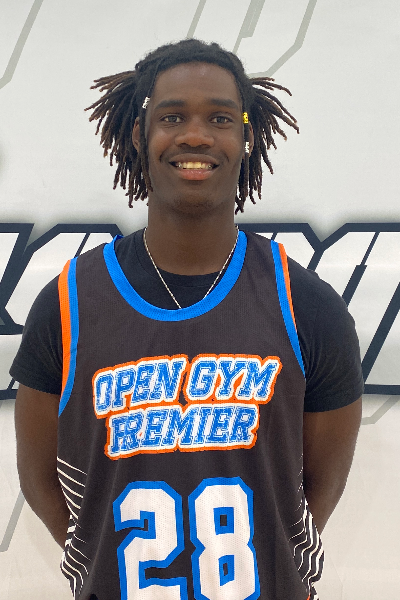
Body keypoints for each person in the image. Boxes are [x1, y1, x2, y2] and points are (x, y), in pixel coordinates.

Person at [12, 39, 363, 600]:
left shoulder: (307, 304)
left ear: (247, 138)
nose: (195, 136)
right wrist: (99, 556)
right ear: (139, 134)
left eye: (220, 118)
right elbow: (40, 479)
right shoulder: (69, 304)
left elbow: (317, 488)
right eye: (172, 117)